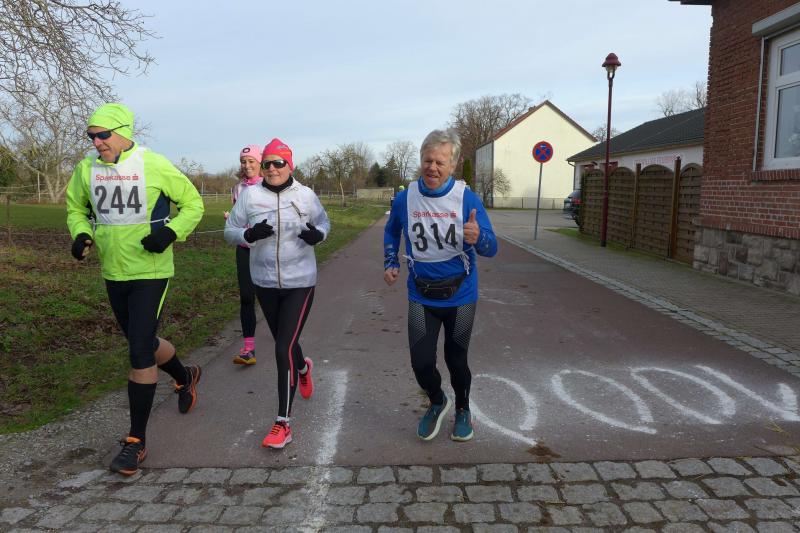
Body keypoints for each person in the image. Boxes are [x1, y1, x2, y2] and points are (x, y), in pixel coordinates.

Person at [66, 103, 205, 475]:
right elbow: (76, 208)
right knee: (143, 341)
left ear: (123, 132)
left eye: (103, 135)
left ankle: (135, 442)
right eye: (92, 136)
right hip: (113, 271)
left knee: (139, 351)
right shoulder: (86, 169)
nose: (97, 142)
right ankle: (185, 376)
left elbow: (193, 204)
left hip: (151, 270)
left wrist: (170, 233)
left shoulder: (152, 163)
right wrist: (80, 234)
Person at [383, 128, 497, 442]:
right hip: (421, 295)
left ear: (453, 165)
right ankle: (437, 400)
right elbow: (392, 230)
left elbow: (491, 248)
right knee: (420, 363)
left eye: (440, 162)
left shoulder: (466, 198)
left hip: (461, 295)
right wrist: (391, 261)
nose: (432, 168)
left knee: (456, 358)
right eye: (427, 160)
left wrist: (479, 237)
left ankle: (462, 408)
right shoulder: (406, 198)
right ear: (421, 160)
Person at [224, 138, 330, 449]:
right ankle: (303, 368)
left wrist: (318, 235)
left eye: (278, 163)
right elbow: (229, 231)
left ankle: (283, 423)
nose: (272, 169)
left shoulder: (305, 195)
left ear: (289, 165)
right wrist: (248, 233)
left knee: (282, 347)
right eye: (267, 163)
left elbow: (324, 223)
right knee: (287, 343)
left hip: (300, 282)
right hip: (265, 282)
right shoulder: (250, 195)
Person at [225, 144, 262, 365]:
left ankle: (284, 338)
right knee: (247, 297)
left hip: (266, 249)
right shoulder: (237, 189)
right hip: (244, 248)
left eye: (251, 161)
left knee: (270, 297)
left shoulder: (268, 185)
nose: (247, 166)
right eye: (243, 162)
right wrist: (230, 220)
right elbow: (237, 219)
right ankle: (249, 349)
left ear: (260, 162)